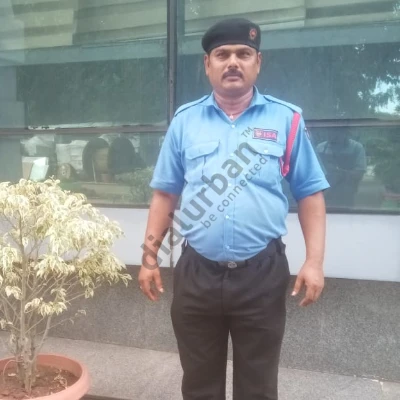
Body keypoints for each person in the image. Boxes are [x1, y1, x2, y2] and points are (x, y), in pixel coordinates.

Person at [138, 18, 330, 400]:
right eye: (222, 54)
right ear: (207, 64)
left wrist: (314, 262)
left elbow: (310, 193)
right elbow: (165, 194)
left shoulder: (286, 119)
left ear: (258, 62)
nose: (232, 62)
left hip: (261, 274)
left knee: (258, 385)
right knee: (199, 383)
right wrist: (149, 257)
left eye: (243, 54)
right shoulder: (185, 121)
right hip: (197, 273)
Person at [316, 131, 367, 208]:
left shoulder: (356, 148)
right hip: (323, 194)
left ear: (345, 132)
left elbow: (359, 173)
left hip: (345, 194)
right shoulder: (320, 148)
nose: (332, 134)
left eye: (337, 131)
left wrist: (339, 172)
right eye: (330, 130)